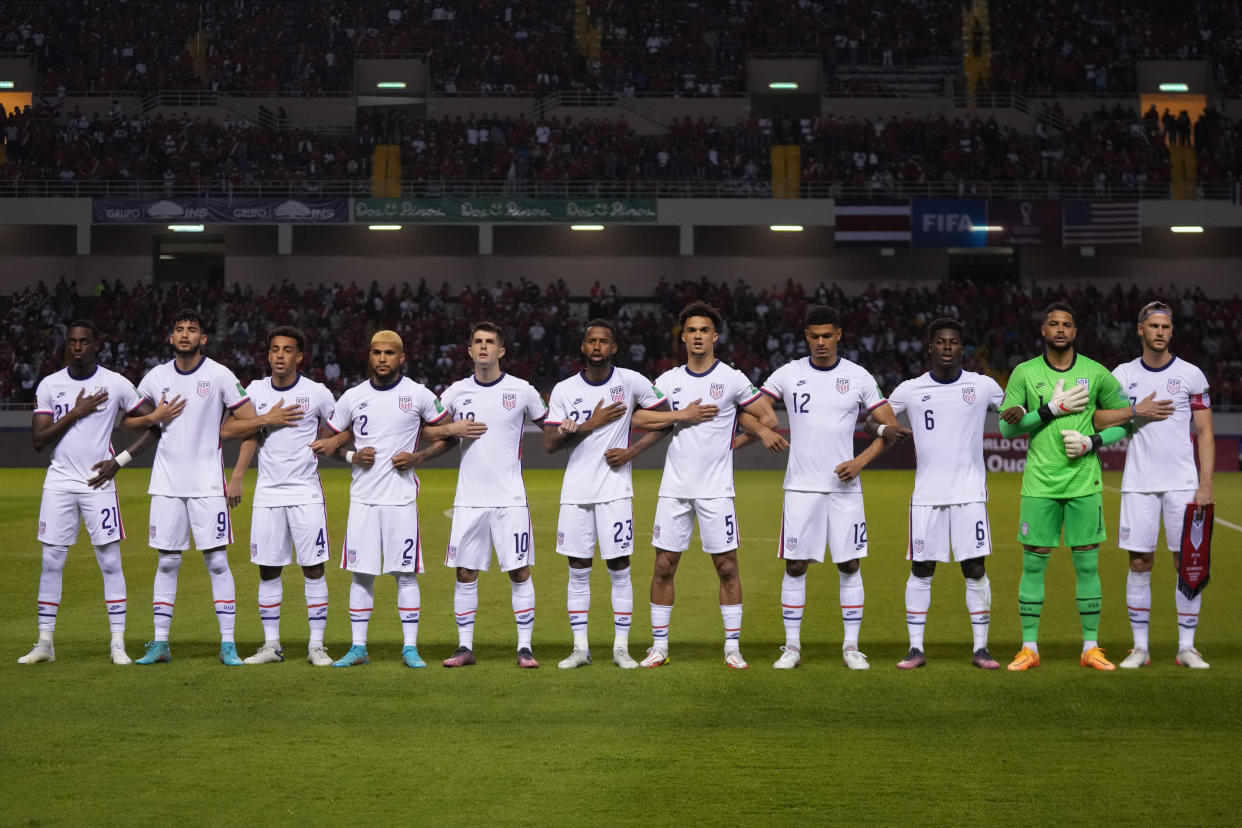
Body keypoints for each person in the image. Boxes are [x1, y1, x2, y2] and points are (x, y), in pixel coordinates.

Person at [998, 302, 1172, 671]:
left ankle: (1090, 647)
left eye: (1067, 324)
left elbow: (1123, 422)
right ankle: (1029, 647)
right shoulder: (1024, 373)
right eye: (1053, 323)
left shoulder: (1096, 373)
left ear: (1075, 332)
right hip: (1040, 484)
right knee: (1032, 567)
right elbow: (1007, 428)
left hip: (1083, 483)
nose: (1060, 329)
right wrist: (1050, 410)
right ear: (1043, 330)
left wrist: (1093, 441)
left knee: (1088, 567)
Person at [543, 319, 714, 669]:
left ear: (614, 347)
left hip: (616, 491)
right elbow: (549, 443)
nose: (596, 347)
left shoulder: (631, 381)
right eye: (591, 341)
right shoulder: (563, 389)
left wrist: (631, 452)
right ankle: (580, 648)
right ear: (583, 347)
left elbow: (666, 420)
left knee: (619, 568)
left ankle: (621, 647)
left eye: (603, 341)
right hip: (575, 492)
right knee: (578, 569)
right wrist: (589, 423)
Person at [20, 320, 183, 665]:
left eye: (84, 342)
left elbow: (154, 425)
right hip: (60, 483)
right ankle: (45, 643)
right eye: (72, 342)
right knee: (51, 560)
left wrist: (119, 460)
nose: (77, 347)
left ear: (97, 345)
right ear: (67, 346)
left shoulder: (116, 383)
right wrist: (76, 412)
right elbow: (38, 440)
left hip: (99, 484)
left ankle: (117, 643)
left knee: (110, 561)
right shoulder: (51, 384)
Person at [310, 330, 472, 668]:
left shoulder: (419, 395)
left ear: (402, 357)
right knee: (361, 574)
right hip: (363, 500)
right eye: (376, 352)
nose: (382, 358)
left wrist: (418, 457)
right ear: (369, 356)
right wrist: (354, 455)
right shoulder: (353, 397)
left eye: (389, 353)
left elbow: (450, 434)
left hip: (401, 499)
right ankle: (358, 648)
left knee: (405, 574)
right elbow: (327, 443)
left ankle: (410, 648)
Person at [759, 304, 908, 671]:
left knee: (850, 564)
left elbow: (890, 429)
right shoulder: (788, 373)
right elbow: (750, 407)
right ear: (806, 337)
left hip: (844, 490)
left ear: (839, 334)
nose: (821, 342)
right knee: (795, 565)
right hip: (801, 488)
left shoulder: (858, 376)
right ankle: (791, 647)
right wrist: (764, 430)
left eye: (828, 335)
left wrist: (860, 462)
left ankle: (851, 647)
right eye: (814, 336)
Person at [642, 301, 786, 670]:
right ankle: (659, 646)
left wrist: (735, 439)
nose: (697, 336)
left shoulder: (733, 379)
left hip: (716, 491)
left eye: (704, 330)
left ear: (714, 336)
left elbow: (767, 416)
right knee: (663, 566)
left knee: (726, 567)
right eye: (691, 330)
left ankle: (732, 647)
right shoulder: (669, 380)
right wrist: (681, 415)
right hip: (674, 489)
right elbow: (640, 416)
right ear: (683, 337)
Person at [134, 309, 274, 666]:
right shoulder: (155, 377)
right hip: (165, 486)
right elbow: (130, 419)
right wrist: (153, 417)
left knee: (216, 561)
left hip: (208, 485)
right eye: (178, 329)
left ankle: (228, 644)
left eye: (192, 329)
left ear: (203, 339)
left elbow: (248, 424)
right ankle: (161, 642)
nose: (184, 334)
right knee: (167, 562)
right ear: (170, 337)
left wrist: (239, 473)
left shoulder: (219, 375)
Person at [867, 318, 1004, 669]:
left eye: (954, 341)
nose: (947, 346)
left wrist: (1022, 412)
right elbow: (872, 417)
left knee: (974, 569)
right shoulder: (911, 388)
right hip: (926, 496)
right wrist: (886, 427)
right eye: (941, 341)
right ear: (930, 347)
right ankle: (915, 648)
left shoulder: (983, 385)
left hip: (970, 494)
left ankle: (981, 648)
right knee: (922, 568)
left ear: (962, 347)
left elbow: (1012, 413)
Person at [421, 322, 548, 669]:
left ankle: (525, 648)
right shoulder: (456, 392)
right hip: (469, 499)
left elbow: (551, 424)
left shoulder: (522, 390)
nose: (483, 347)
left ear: (501, 351)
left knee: (519, 570)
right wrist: (452, 428)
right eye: (477, 341)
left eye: (490, 342)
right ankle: (464, 647)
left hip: (510, 499)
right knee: (465, 572)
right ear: (469, 350)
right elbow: (425, 426)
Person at [1102, 302, 1215, 669]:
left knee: (1187, 563)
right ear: (1140, 330)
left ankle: (1186, 647)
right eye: (1153, 326)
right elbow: (1099, 417)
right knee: (1139, 562)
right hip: (1138, 484)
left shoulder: (1190, 375)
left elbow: (1205, 432)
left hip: (1183, 485)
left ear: (1171, 331)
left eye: (1165, 326)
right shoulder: (1121, 375)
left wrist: (1206, 485)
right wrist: (1136, 411)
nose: (1160, 332)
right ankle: (1140, 648)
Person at [222, 326, 338, 667]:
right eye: (274, 349)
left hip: (306, 493)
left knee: (313, 568)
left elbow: (341, 428)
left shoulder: (317, 393)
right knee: (268, 570)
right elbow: (230, 429)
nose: (280, 355)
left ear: (299, 357)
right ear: (268, 354)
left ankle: (316, 646)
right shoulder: (256, 390)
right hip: (268, 494)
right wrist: (239, 473)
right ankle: (271, 645)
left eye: (287, 350)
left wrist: (334, 444)